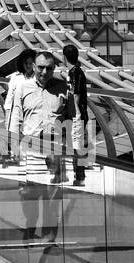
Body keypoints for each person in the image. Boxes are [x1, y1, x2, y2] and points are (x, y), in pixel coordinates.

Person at [16, 52, 73, 239]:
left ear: (54, 68)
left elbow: (72, 118)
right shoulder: (23, 88)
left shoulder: (63, 88)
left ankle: (51, 239)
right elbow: (15, 119)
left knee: (53, 195)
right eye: (41, 67)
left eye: (49, 68)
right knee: (29, 194)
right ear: (33, 67)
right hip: (30, 147)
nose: (44, 71)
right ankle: (30, 231)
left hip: (54, 147)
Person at [2, 50, 38, 166]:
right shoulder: (16, 78)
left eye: (31, 63)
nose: (28, 66)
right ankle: (16, 156)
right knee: (13, 133)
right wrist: (7, 110)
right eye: (26, 63)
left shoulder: (38, 78)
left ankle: (29, 156)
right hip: (16, 110)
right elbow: (10, 96)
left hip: (31, 111)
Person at [62, 44, 90, 186]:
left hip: (77, 115)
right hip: (76, 115)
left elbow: (76, 94)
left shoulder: (75, 72)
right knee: (75, 146)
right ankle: (78, 175)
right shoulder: (75, 71)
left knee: (77, 147)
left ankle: (80, 177)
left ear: (64, 58)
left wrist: (74, 113)